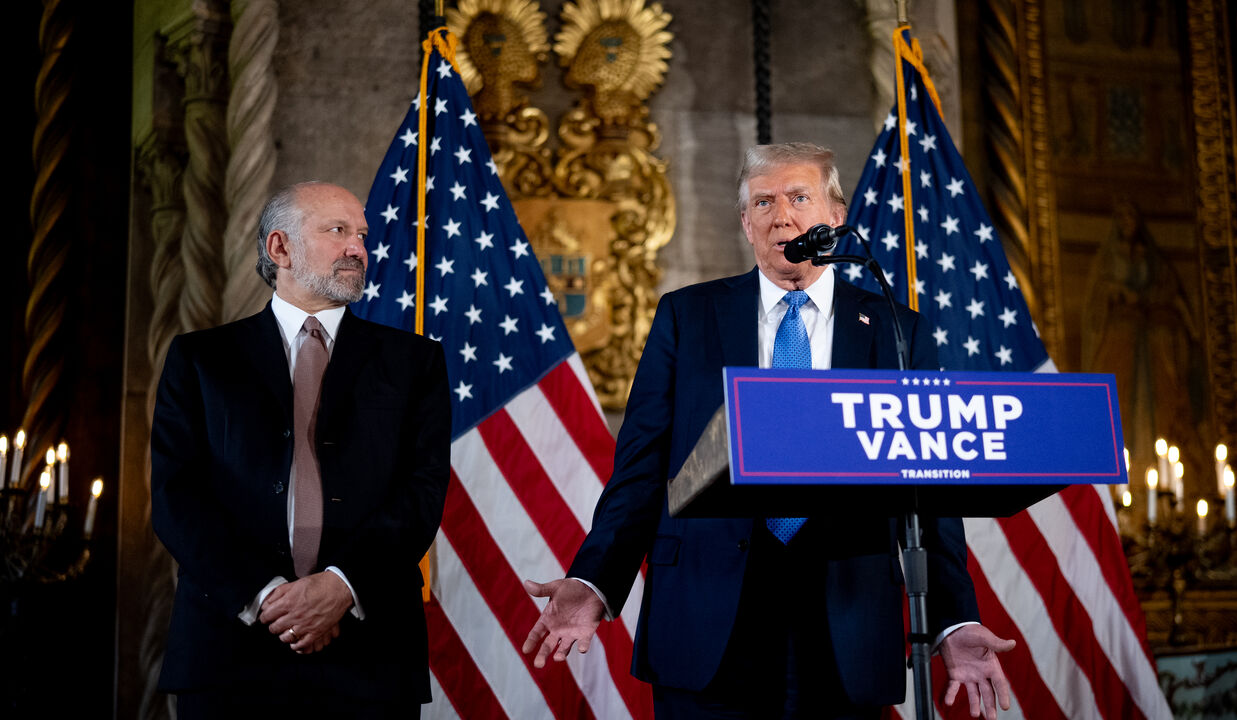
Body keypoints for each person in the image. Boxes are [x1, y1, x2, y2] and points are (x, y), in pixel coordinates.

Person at [523, 143, 1015, 719]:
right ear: (746, 224)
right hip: (707, 618)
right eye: (764, 202)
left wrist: (955, 617)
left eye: (799, 198)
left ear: (835, 216)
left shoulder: (893, 327)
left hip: (846, 625)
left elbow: (929, 490)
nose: (782, 215)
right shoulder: (687, 316)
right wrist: (595, 579)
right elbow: (642, 468)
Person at [150, 182, 451, 718]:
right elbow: (178, 498)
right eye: (337, 230)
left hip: (369, 652)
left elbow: (421, 494)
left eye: (361, 233)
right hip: (229, 650)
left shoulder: (415, 363)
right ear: (280, 249)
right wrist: (266, 597)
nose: (358, 246)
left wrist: (340, 587)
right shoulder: (201, 359)